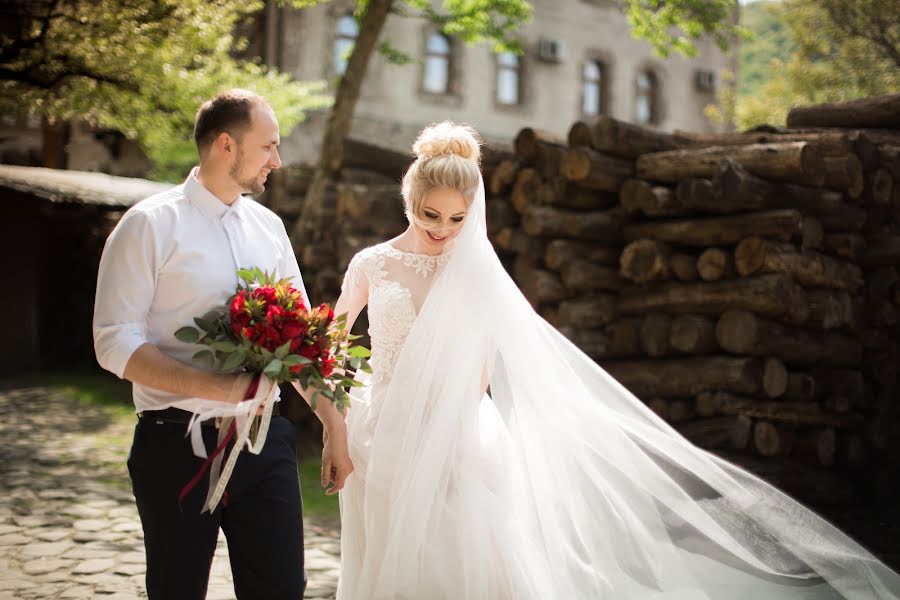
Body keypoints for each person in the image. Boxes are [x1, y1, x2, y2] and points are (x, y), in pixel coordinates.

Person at [331, 121, 900, 599]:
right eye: (432, 215)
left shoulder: (476, 269)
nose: (443, 231)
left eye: (458, 220)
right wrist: (345, 407)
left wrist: (451, 418)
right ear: (410, 200)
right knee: (389, 555)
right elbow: (329, 340)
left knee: (462, 556)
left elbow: (495, 350)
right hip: (384, 430)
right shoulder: (372, 264)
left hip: (459, 433)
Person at [93, 88, 353, 599]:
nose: (277, 160)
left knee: (282, 591)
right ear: (226, 146)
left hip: (263, 442)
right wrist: (215, 387)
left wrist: (333, 425)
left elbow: (300, 337)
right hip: (174, 446)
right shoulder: (148, 225)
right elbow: (113, 342)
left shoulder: (270, 228)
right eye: (268, 147)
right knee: (177, 589)